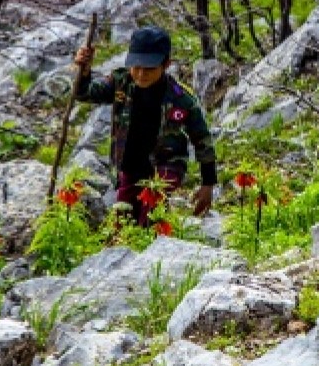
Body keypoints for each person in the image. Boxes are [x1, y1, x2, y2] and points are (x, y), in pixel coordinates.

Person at [74, 26, 217, 223]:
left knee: (150, 216)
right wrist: (84, 71)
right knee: (122, 220)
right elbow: (85, 93)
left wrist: (207, 184)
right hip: (130, 165)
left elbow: (203, 140)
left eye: (149, 68)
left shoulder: (181, 99)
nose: (141, 74)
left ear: (166, 64)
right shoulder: (121, 81)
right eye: (136, 67)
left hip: (166, 167)